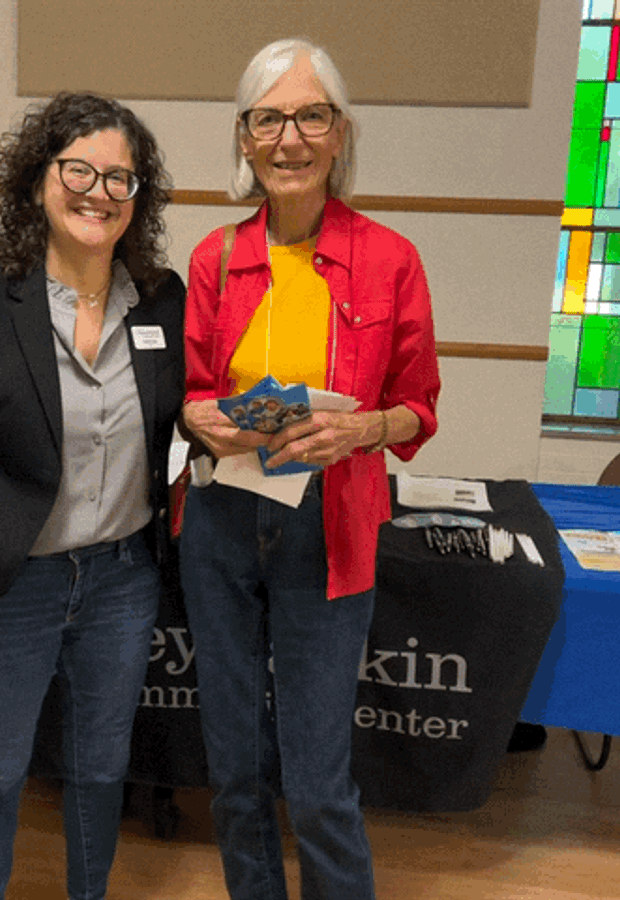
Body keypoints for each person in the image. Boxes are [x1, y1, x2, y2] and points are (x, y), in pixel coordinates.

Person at [0, 91, 185, 900]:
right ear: (38, 182)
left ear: (138, 198)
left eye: (120, 178)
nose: (99, 191)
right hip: (7, 580)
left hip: (122, 579)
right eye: (78, 169)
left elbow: (190, 416)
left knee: (100, 767)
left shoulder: (161, 300)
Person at [179, 38, 441, 900]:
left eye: (310, 116)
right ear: (245, 141)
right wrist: (196, 416)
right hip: (219, 523)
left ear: (339, 135)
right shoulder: (214, 258)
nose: (289, 138)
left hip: (329, 529)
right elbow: (191, 394)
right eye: (269, 119)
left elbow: (418, 409)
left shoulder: (390, 258)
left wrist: (364, 428)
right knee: (235, 767)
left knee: (320, 781)